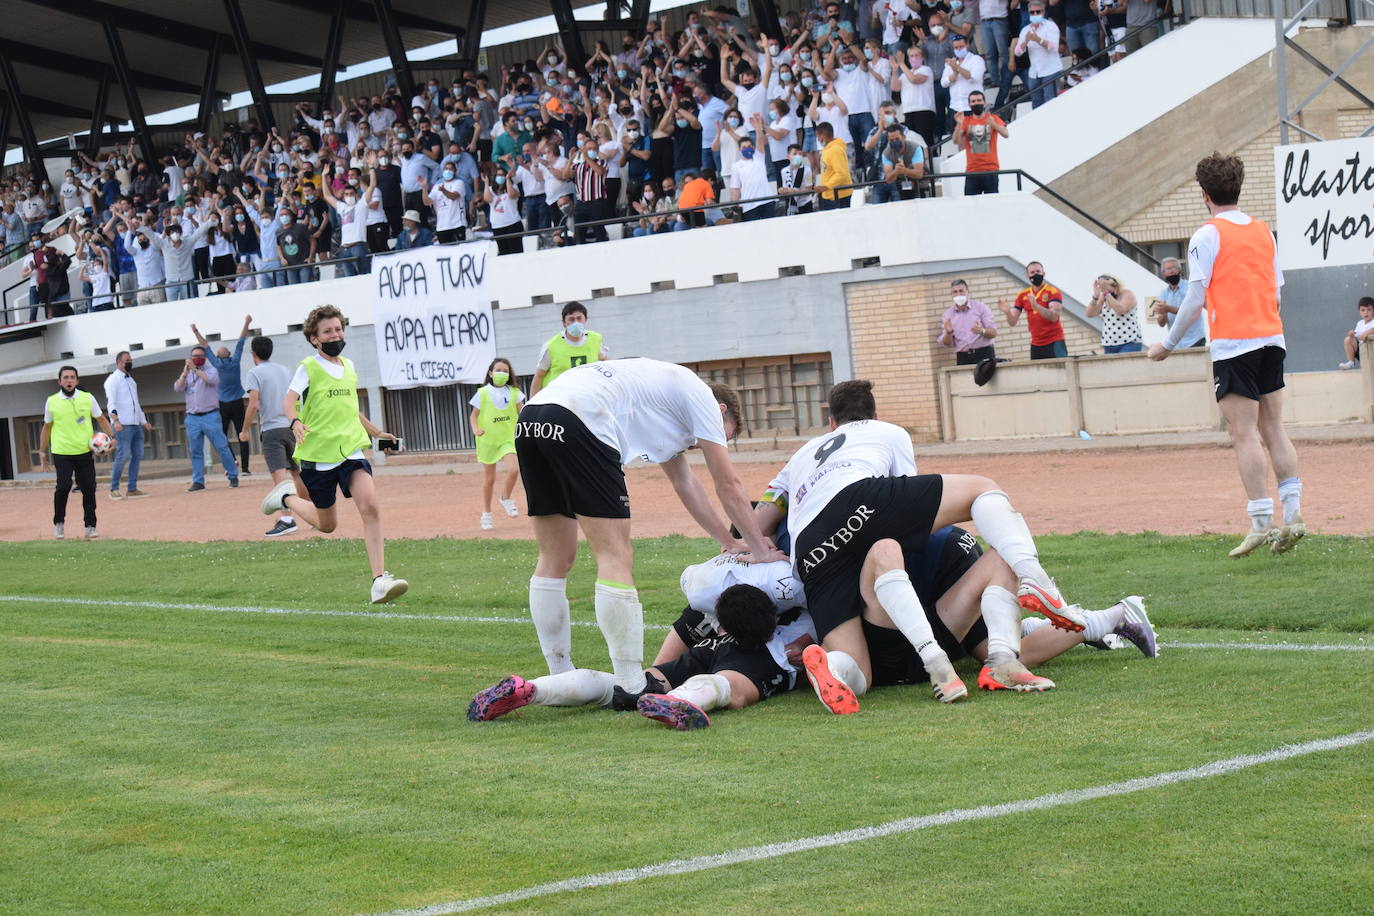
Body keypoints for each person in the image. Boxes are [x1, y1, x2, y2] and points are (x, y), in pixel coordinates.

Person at [753, 380, 1081, 707]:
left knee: (858, 670)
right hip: (856, 500)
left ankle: (834, 667)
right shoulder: (889, 433)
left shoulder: (801, 454)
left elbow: (767, 511)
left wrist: (747, 546)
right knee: (983, 488)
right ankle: (1034, 579)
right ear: (875, 415)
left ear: (831, 422)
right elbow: (905, 493)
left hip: (809, 550)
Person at [515, 357, 786, 692]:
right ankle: (631, 684)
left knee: (556, 558)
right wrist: (760, 549)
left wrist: (731, 543)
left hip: (533, 416)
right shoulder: (700, 397)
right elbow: (727, 483)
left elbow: (686, 483)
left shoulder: (664, 400)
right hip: (582, 416)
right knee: (615, 556)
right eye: (713, 436)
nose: (699, 444)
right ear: (720, 410)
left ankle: (559, 674)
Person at [1148, 153, 1305, 558]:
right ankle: (1294, 513)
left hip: (1235, 344)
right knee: (1274, 427)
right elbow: (1276, 291)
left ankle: (1260, 522)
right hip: (1271, 336)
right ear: (1239, 186)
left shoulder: (1206, 235)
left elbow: (1195, 298)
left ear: (1204, 194)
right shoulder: (1263, 231)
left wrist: (1167, 344)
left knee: (1244, 433)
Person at [259, 305, 407, 603]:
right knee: (327, 525)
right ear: (314, 338)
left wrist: (377, 433)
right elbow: (288, 402)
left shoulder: (348, 367)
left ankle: (379, 580)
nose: (335, 334)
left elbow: (352, 411)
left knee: (371, 506)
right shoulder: (308, 367)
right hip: (318, 457)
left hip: (351, 451)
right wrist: (295, 421)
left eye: (338, 329)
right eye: (328, 331)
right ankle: (286, 498)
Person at [40, 366, 116, 540]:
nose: (69, 380)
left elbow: (101, 419)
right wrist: (42, 451)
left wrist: (113, 437)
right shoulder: (51, 401)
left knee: (89, 488)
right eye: (65, 377)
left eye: (72, 377)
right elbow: (46, 427)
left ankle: (90, 525)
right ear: (59, 381)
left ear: (77, 381)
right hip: (62, 452)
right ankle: (59, 523)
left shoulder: (87, 398)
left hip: (84, 451)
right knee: (63, 487)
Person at [241, 335, 304, 538]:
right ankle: (316, 511)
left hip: (271, 430)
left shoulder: (254, 373)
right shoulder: (284, 370)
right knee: (297, 472)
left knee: (279, 475)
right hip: (291, 425)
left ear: (253, 354)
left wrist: (243, 430)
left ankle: (287, 519)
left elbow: (253, 404)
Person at [192, 315, 254, 476]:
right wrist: (195, 331)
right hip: (225, 404)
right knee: (222, 435)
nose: (222, 349)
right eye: (221, 350)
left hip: (234, 402)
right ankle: (233, 461)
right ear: (220, 355)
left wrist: (246, 322)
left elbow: (241, 340)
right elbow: (205, 345)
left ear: (226, 354)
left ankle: (245, 468)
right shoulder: (220, 363)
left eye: (223, 349)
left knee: (241, 434)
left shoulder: (232, 361)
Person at [174, 344, 241, 492]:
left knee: (222, 447)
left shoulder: (212, 370)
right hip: (192, 418)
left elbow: (210, 381)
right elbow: (178, 387)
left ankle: (233, 475)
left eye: (199, 356)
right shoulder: (188, 373)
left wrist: (195, 369)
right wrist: (185, 372)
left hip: (210, 416)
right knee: (196, 451)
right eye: (194, 357)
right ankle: (198, 481)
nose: (196, 359)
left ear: (204, 358)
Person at [469, 357, 524, 531]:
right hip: (488, 440)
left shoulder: (515, 393)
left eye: (506, 371)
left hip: (508, 439)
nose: (502, 373)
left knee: (514, 469)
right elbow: (473, 415)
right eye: (498, 370)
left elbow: (523, 412)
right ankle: (486, 514)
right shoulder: (483, 393)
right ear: (491, 373)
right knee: (489, 479)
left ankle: (505, 497)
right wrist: (475, 428)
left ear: (509, 375)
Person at [530, 302, 609, 395]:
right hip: (559, 397)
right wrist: (532, 404)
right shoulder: (551, 345)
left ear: (585, 320)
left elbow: (606, 363)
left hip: (587, 395)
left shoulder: (596, 339)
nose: (576, 322)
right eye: (571, 319)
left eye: (579, 318)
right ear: (564, 323)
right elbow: (539, 376)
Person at [102, 351, 152, 499]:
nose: (130, 362)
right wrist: (115, 420)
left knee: (138, 454)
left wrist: (143, 421)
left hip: (135, 423)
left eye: (131, 360)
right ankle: (114, 488)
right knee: (123, 455)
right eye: (127, 360)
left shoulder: (131, 380)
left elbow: (136, 403)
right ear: (119, 362)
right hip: (122, 423)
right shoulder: (113, 380)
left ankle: (132, 488)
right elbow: (111, 402)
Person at [999, 260, 1067, 359]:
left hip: (1055, 341)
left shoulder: (1053, 291)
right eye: (1032, 272)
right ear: (1027, 276)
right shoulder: (1022, 295)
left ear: (1043, 274)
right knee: (1037, 373)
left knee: (1061, 372)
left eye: (1038, 272)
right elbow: (1012, 322)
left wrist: (1037, 307)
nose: (1035, 274)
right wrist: (1008, 312)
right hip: (1036, 343)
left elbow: (1054, 317)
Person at [953, 90, 1007, 196]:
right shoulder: (966, 121)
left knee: (992, 204)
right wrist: (959, 124)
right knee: (971, 206)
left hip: (991, 170)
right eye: (973, 101)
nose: (976, 103)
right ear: (969, 104)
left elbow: (1006, 134)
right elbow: (956, 141)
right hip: (972, 171)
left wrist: (993, 124)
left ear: (984, 102)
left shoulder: (993, 118)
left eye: (979, 100)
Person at [1013, 1, 1062, 109]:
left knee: (1051, 103)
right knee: (1036, 104)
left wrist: (1037, 40)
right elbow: (1017, 52)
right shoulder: (1025, 30)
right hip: (1034, 72)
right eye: (1032, 12)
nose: (1035, 14)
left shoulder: (1051, 26)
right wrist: (1025, 42)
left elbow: (1053, 47)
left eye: (1037, 12)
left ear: (1043, 12)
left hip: (1050, 70)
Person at [938, 279, 998, 365]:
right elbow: (947, 344)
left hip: (984, 354)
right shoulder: (948, 315)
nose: (958, 294)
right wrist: (948, 333)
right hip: (963, 357)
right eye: (955, 292)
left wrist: (982, 331)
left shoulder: (980, 307)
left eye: (961, 291)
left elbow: (994, 333)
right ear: (951, 294)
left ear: (967, 291)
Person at [1153, 257, 1205, 350]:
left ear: (1180, 271)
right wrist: (1162, 313)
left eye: (1174, 268)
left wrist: (1167, 308)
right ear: (1163, 274)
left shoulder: (1190, 287)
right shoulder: (1163, 293)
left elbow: (1189, 310)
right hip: (1175, 344)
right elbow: (1161, 324)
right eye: (1168, 269)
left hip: (1194, 339)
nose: (1171, 271)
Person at [1087, 274, 1143, 353]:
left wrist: (1106, 293)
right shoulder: (1103, 296)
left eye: (1106, 287)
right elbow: (1089, 314)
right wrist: (1095, 297)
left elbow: (1120, 310)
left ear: (1116, 286)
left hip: (1129, 342)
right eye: (1102, 287)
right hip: (1109, 343)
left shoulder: (1127, 294)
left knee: (1126, 365)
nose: (1103, 290)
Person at [815, 121, 852, 210]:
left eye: (818, 137)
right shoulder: (827, 150)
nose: (818, 140)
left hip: (839, 196)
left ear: (822, 136)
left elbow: (841, 174)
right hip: (829, 195)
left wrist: (826, 186)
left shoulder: (835, 150)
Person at [1338, 297, 1374, 370]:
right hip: (1362, 351)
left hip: (1372, 352)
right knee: (1348, 339)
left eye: (1369, 310)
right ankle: (1351, 362)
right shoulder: (1360, 323)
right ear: (1359, 312)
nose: (1366, 312)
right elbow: (1356, 336)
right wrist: (1351, 334)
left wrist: (1366, 333)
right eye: (1363, 310)